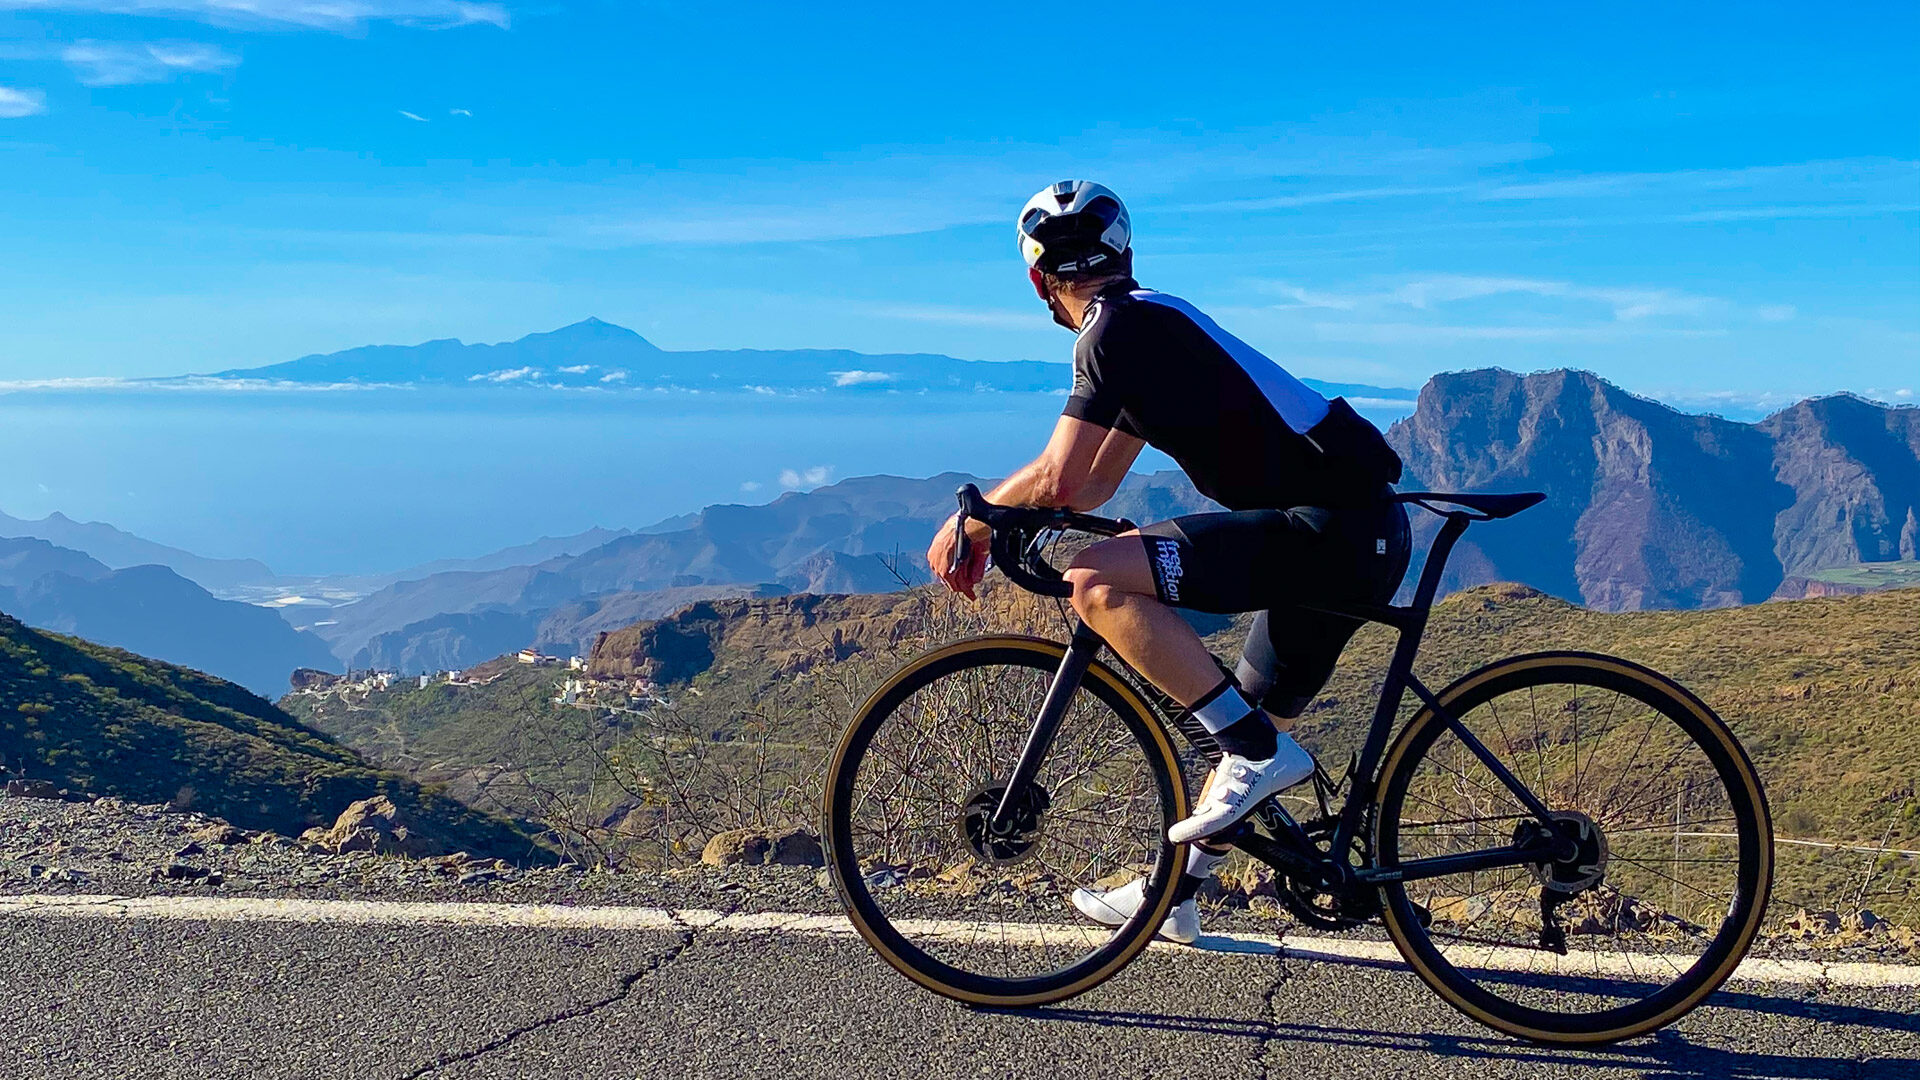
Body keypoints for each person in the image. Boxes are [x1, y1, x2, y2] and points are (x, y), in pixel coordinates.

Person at [925, 180, 1411, 943]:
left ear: (1036, 283)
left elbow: (1058, 477)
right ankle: (1173, 895)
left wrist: (975, 520)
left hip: (1324, 534)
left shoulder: (1111, 332)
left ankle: (1253, 750)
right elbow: (1094, 478)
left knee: (1094, 577)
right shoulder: (1147, 322)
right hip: (1357, 535)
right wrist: (1024, 513)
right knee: (1242, 717)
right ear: (1125, 253)